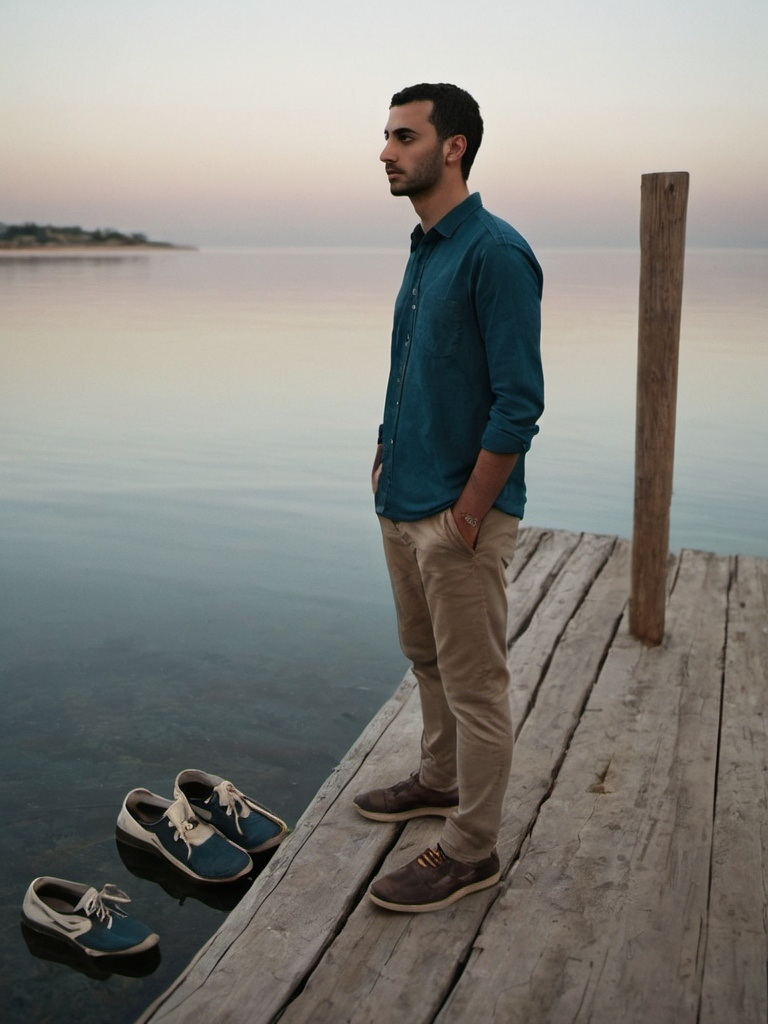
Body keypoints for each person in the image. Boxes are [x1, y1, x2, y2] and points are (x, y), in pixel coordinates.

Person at [353, 83, 544, 913]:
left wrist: (467, 515)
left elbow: (518, 403)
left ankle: (472, 849)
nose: (386, 151)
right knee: (424, 659)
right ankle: (437, 779)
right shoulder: (425, 247)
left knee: (476, 686)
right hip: (405, 496)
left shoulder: (495, 253)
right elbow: (413, 369)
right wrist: (385, 454)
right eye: (386, 136)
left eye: (403, 136)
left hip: (456, 518)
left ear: (453, 147)